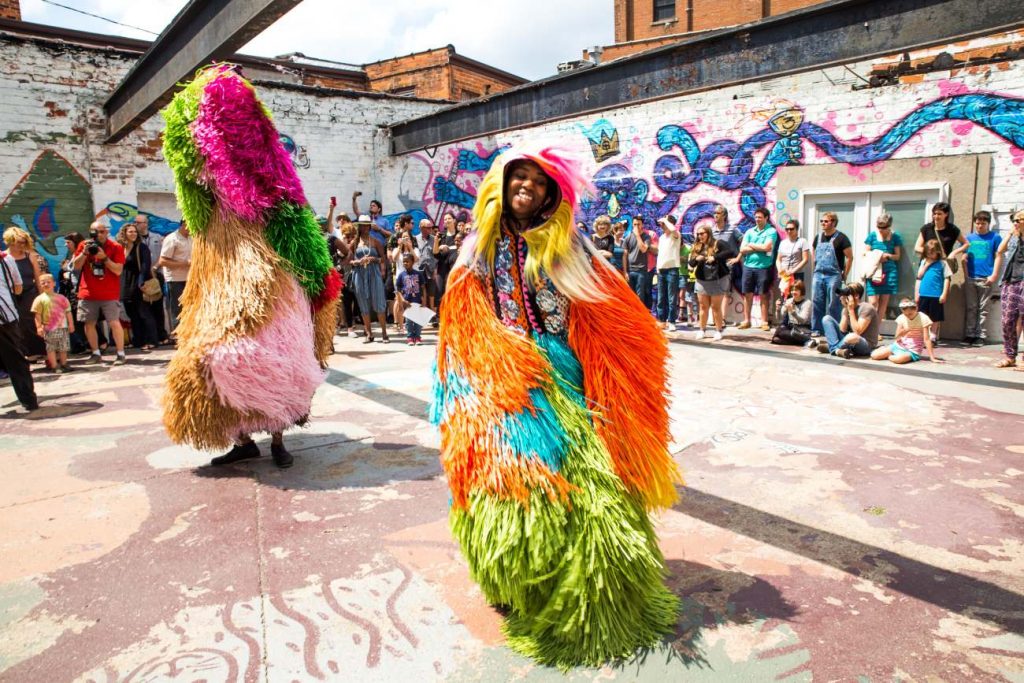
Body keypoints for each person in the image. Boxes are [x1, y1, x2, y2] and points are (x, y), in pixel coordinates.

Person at [431, 145, 680, 668]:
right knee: (508, 476)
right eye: (517, 177)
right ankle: (515, 579)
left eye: (537, 181)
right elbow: (461, 311)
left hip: (562, 372)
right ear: (501, 185)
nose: (526, 186)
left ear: (551, 192)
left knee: (586, 478)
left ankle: (584, 587)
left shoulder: (570, 243)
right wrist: (490, 357)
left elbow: (608, 303)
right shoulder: (479, 243)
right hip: (501, 373)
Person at [161, 65, 340, 469]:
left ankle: (278, 437)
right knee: (215, 355)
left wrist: (315, 275)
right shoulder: (201, 185)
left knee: (276, 350)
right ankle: (241, 439)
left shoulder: (270, 176)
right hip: (220, 273)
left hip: (272, 274)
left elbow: (296, 223)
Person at [72, 221, 127, 366]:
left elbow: (118, 270)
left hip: (109, 293)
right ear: (91, 232)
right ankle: (95, 353)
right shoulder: (84, 245)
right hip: (88, 292)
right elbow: (76, 267)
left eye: (102, 231)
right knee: (89, 323)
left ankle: (120, 354)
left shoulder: (115, 247)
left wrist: (104, 258)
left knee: (114, 322)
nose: (100, 235)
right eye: (96, 232)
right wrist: (84, 252)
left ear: (107, 232)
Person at [0, 247, 39, 411]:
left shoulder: (6, 259)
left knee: (15, 360)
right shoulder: (6, 259)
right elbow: (18, 287)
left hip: (5, 317)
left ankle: (29, 400)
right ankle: (29, 400)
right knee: (15, 360)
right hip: (6, 315)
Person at [2, 226, 46, 361]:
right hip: (11, 295)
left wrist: (42, 295)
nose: (22, 245)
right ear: (10, 241)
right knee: (17, 324)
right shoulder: (4, 257)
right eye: (19, 242)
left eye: (24, 242)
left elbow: (38, 277)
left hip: (29, 292)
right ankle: (24, 353)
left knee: (32, 322)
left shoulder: (29, 256)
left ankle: (39, 351)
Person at [689, 222, 735, 340]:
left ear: (708, 233)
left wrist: (715, 257)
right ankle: (702, 330)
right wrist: (696, 259)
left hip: (717, 278)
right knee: (703, 306)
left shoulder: (718, 243)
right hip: (702, 279)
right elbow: (691, 263)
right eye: (698, 234)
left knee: (715, 307)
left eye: (702, 233)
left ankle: (718, 330)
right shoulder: (697, 246)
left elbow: (730, 252)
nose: (700, 236)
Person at [811, 211, 853, 337]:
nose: (823, 223)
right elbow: (814, 254)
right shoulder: (818, 237)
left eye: (826, 221)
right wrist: (815, 269)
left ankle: (836, 329)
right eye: (822, 221)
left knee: (834, 304)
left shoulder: (841, 238)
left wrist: (844, 274)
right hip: (818, 274)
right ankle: (817, 329)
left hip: (833, 275)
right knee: (817, 302)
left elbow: (850, 257)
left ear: (833, 222)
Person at [117, 222, 159, 351]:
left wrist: (140, 282)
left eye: (135, 232)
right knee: (132, 314)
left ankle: (152, 340)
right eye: (130, 232)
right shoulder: (120, 248)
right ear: (124, 233)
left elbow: (145, 266)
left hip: (139, 284)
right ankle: (139, 340)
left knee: (144, 313)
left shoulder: (141, 247)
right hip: (125, 284)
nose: (133, 234)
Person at [963, 210, 1001, 346]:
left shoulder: (995, 238)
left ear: (988, 224)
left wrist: (994, 274)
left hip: (986, 277)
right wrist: (966, 274)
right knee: (971, 307)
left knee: (983, 308)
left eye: (983, 223)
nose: (980, 226)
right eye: (978, 223)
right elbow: (964, 258)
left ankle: (981, 335)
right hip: (971, 277)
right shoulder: (969, 238)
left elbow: (998, 256)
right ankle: (970, 334)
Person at [992, 209, 1024, 369]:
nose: (1016, 223)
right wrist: (1011, 234)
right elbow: (1000, 250)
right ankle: (1010, 356)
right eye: (1014, 220)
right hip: (1011, 281)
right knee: (1007, 320)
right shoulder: (1013, 238)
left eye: (1019, 220)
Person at [738, 207, 778, 331]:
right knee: (747, 294)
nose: (757, 219)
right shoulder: (750, 231)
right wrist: (757, 247)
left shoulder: (771, 231)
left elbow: (767, 247)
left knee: (763, 294)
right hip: (748, 266)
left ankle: (764, 321)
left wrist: (750, 245)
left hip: (764, 267)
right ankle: (747, 320)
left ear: (766, 218)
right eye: (756, 217)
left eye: (760, 217)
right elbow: (742, 250)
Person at [351, 215, 389, 343]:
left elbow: (383, 258)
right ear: (359, 227)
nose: (365, 227)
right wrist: (357, 262)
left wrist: (374, 259)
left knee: (379, 301)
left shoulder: (375, 241)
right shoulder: (355, 242)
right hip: (359, 273)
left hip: (374, 273)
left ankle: (384, 333)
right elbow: (348, 259)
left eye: (367, 225)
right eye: (362, 225)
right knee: (363, 303)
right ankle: (369, 333)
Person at [817, 281, 879, 358]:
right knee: (827, 319)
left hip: (866, 345)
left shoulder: (867, 308)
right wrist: (846, 309)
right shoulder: (846, 309)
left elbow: (858, 331)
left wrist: (851, 310)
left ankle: (833, 348)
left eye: (846, 295)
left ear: (856, 295)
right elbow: (842, 330)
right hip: (850, 342)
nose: (841, 298)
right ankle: (837, 349)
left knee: (852, 336)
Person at [134, 214, 170, 345]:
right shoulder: (133, 240)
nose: (139, 225)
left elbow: (163, 255)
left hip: (155, 275)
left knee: (157, 306)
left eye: (141, 222)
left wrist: (155, 267)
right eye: (137, 223)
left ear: (146, 224)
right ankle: (148, 336)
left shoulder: (156, 237)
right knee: (143, 307)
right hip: (141, 276)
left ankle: (161, 334)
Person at [871, 298, 940, 364]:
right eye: (905, 314)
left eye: (910, 314)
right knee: (874, 356)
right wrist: (903, 332)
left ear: (916, 308)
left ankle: (891, 355)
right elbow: (897, 337)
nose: (908, 316)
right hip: (899, 346)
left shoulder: (923, 318)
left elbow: (926, 339)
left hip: (912, 350)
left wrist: (932, 357)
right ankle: (890, 351)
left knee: (898, 360)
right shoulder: (901, 317)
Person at [30, 273, 74, 373]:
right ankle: (54, 366)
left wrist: (71, 324)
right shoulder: (39, 299)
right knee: (51, 348)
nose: (46, 284)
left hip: (63, 327)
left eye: (48, 282)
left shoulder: (62, 298)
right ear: (39, 285)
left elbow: (68, 312)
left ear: (54, 283)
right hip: (48, 328)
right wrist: (39, 327)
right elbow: (37, 315)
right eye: (43, 282)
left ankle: (64, 364)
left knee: (64, 347)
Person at [863, 212, 902, 318]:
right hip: (874, 270)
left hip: (889, 271)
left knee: (884, 303)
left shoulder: (895, 236)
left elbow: (898, 256)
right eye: (879, 227)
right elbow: (865, 253)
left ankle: (877, 330)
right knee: (873, 302)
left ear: (889, 226)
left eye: (883, 227)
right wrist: (878, 256)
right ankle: (870, 326)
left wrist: (887, 256)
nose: (880, 229)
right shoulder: (872, 235)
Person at [157, 220, 192, 338]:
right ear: (183, 224)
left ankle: (189, 334)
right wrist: (185, 264)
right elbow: (163, 261)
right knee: (177, 309)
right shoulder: (172, 239)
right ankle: (178, 336)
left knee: (190, 307)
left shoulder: (192, 238)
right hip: (175, 279)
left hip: (190, 278)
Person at [916, 239, 951, 344]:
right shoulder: (923, 262)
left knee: (935, 317)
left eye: (932, 253)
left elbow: (947, 278)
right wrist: (927, 265)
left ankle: (933, 335)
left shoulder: (942, 263)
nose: (930, 255)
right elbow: (919, 276)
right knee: (923, 315)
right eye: (928, 253)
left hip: (936, 294)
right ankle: (923, 335)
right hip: (924, 293)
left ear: (938, 252)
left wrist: (944, 293)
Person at [713, 206, 743, 325]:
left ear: (724, 215)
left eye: (718, 213)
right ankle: (715, 318)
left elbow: (743, 242)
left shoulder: (732, 229)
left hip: (728, 265)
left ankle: (722, 319)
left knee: (725, 292)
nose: (715, 215)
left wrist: (738, 258)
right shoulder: (712, 230)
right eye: (714, 213)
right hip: (715, 266)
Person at [655, 215, 681, 331]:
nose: (662, 225)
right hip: (662, 270)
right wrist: (657, 267)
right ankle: (662, 320)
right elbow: (660, 254)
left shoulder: (675, 235)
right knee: (661, 297)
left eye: (665, 223)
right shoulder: (661, 238)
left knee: (672, 298)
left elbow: (674, 230)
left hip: (672, 269)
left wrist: (665, 219)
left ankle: (671, 321)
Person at [395, 252, 426, 345]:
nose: (405, 263)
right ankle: (410, 338)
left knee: (417, 320)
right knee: (408, 321)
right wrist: (402, 300)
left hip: (417, 301)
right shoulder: (401, 275)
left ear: (412, 262)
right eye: (404, 262)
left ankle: (417, 337)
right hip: (407, 301)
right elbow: (398, 290)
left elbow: (423, 288)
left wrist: (424, 300)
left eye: (407, 262)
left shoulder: (418, 274)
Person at [623, 215, 654, 307]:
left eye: (638, 224)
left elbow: (643, 249)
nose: (636, 226)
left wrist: (637, 235)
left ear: (642, 225)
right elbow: (625, 255)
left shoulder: (646, 237)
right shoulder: (628, 238)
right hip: (630, 270)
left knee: (640, 296)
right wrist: (625, 272)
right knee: (630, 295)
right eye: (635, 224)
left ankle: (641, 315)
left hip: (641, 271)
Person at [770, 279, 813, 347]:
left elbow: (803, 320)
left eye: (796, 290)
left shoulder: (807, 303)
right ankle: (802, 342)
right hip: (791, 328)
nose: (793, 292)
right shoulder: (789, 301)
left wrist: (793, 312)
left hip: (802, 329)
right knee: (776, 338)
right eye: (792, 290)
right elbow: (779, 318)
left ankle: (806, 339)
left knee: (783, 333)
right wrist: (778, 309)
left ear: (801, 291)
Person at [776, 218, 810, 293]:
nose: (789, 231)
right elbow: (778, 259)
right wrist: (780, 270)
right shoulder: (783, 243)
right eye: (787, 229)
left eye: (791, 229)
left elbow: (805, 259)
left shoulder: (803, 241)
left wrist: (792, 271)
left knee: (796, 297)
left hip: (796, 274)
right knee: (785, 296)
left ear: (797, 229)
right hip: (784, 275)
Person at [434, 210, 460, 302]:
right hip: (442, 270)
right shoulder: (441, 236)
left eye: (449, 218)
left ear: (454, 220)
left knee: (456, 294)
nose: (447, 220)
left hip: (456, 270)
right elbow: (436, 254)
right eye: (445, 219)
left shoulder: (459, 235)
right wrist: (438, 245)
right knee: (441, 293)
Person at [415, 218, 438, 312]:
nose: (430, 229)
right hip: (419, 269)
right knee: (421, 292)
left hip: (431, 269)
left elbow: (436, 255)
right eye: (428, 227)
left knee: (431, 292)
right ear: (421, 227)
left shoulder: (434, 239)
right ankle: (422, 312)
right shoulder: (415, 239)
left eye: (431, 227)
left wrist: (436, 269)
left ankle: (432, 313)